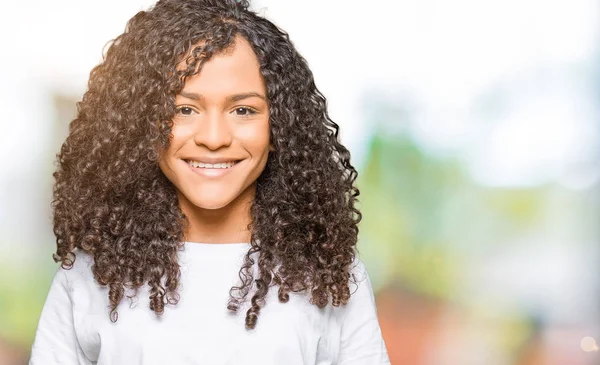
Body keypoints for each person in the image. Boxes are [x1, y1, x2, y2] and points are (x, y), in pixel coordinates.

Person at [28, 0, 391, 364]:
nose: (214, 138)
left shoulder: (332, 278)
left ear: (279, 125)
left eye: (243, 110)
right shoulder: (91, 276)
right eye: (184, 109)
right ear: (140, 124)